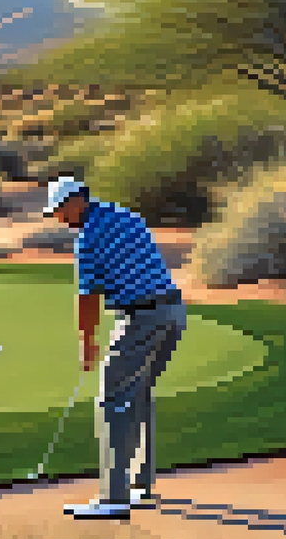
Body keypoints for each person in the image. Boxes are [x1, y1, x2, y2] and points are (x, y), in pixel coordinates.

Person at [42, 176, 188, 520]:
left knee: (112, 398)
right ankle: (140, 484)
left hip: (144, 317)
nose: (59, 219)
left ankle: (113, 496)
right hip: (173, 312)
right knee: (139, 394)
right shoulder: (125, 215)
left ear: (75, 202)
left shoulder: (88, 237)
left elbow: (87, 297)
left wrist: (86, 342)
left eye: (60, 211)